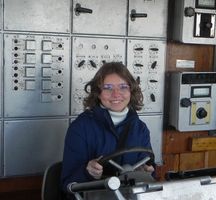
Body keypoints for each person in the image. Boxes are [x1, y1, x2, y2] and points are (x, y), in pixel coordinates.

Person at [61, 62, 155, 194]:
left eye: (123, 87)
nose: (116, 94)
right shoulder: (80, 127)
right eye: (108, 88)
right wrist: (87, 172)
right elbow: (68, 185)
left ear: (131, 91)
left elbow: (149, 172)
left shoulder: (140, 128)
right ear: (98, 93)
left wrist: (146, 171)